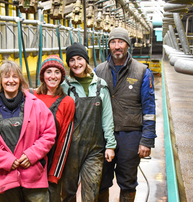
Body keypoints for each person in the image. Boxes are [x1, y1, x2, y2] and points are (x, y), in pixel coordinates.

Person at [0, 60, 56, 202]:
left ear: (20, 80)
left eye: (15, 76)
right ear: (0, 80)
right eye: (6, 76)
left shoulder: (37, 106)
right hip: (4, 178)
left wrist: (31, 155)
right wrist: (6, 160)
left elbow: (49, 133)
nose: (11, 80)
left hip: (33, 175)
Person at [95, 27, 157, 202]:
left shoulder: (142, 72)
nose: (117, 46)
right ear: (109, 45)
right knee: (101, 180)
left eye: (120, 42)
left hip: (130, 135)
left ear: (127, 45)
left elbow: (149, 109)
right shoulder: (98, 71)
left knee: (128, 183)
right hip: (103, 136)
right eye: (113, 42)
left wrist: (146, 140)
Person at [60, 42, 116, 202]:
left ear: (86, 59)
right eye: (72, 60)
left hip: (95, 150)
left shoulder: (100, 85)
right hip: (70, 150)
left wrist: (110, 145)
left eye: (79, 58)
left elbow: (107, 118)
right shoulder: (64, 87)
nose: (76, 63)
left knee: (91, 194)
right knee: (68, 193)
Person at [32, 55, 75, 202]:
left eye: (57, 72)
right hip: (29, 164)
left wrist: (54, 173)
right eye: (48, 71)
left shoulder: (67, 102)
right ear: (42, 75)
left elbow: (64, 139)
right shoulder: (31, 97)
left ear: (62, 77)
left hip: (50, 165)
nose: (53, 76)